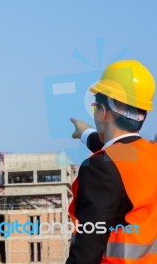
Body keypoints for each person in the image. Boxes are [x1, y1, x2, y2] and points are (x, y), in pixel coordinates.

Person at [66, 60, 157, 264]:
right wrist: (86, 133)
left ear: (102, 111)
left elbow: (88, 250)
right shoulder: (151, 154)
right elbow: (123, 153)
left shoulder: (101, 168)